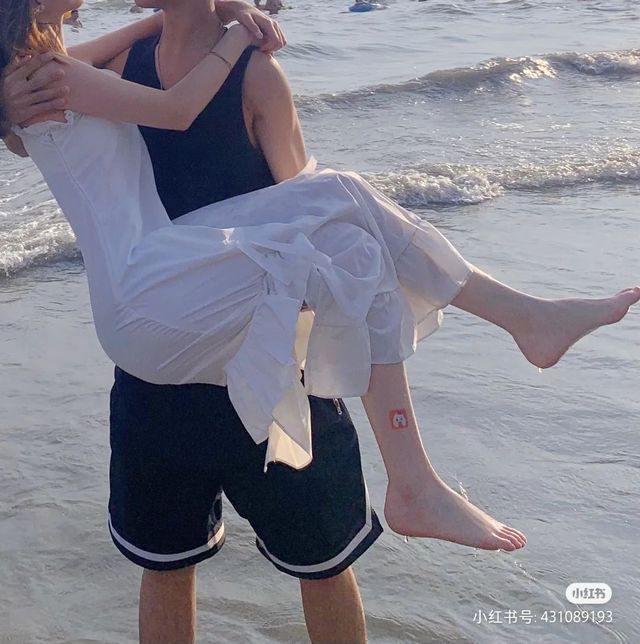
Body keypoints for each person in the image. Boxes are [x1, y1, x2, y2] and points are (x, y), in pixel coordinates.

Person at [2, 2, 639, 642]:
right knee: (341, 203)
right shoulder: (65, 72)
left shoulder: (92, 67)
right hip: (159, 302)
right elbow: (176, 111)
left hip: (219, 304)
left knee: (350, 233)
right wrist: (231, 34)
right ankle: (510, 338)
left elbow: (289, 187)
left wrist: (233, 18)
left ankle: (421, 469)